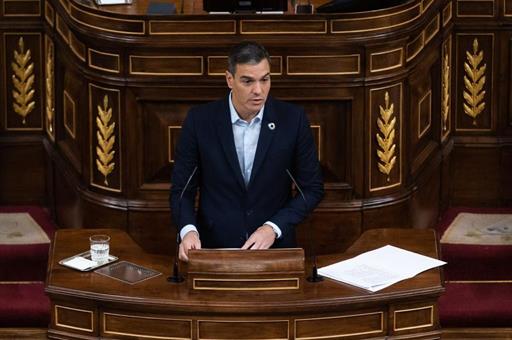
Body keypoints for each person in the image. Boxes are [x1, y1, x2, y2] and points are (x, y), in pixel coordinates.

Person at [170, 41, 324, 261]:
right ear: (229, 79)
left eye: (265, 79)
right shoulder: (199, 121)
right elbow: (182, 190)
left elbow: (312, 189)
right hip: (213, 248)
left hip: (274, 250)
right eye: (248, 81)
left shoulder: (293, 120)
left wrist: (273, 227)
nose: (258, 90)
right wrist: (188, 230)